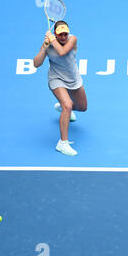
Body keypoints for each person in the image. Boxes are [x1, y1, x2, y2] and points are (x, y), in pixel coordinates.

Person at [33, 21, 87, 156]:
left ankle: (62, 108)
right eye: (60, 34)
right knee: (68, 105)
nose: (63, 37)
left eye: (65, 34)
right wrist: (45, 47)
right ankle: (62, 143)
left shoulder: (73, 39)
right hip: (56, 79)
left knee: (82, 107)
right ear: (56, 34)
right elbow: (36, 63)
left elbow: (62, 52)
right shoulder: (49, 43)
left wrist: (52, 39)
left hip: (73, 79)